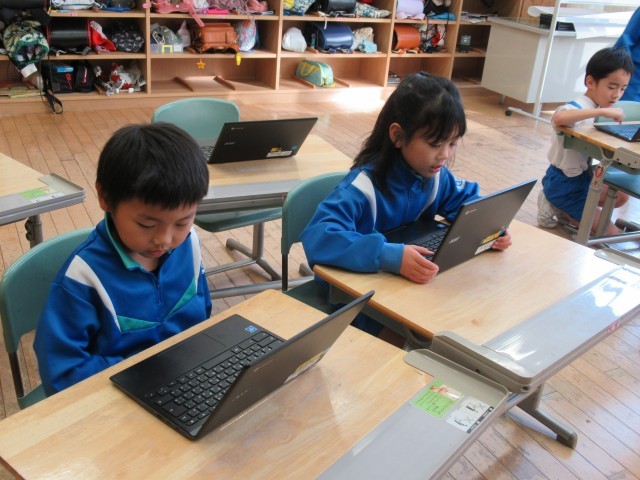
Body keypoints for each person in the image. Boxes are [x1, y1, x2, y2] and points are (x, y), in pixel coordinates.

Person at [300, 72, 512, 338]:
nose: (445, 155)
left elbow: (468, 200)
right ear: (398, 136)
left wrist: (488, 225)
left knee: (465, 315)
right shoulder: (361, 188)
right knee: (417, 334)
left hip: (407, 291)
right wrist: (389, 256)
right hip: (356, 301)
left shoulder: (435, 177)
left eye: (453, 143)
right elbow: (318, 237)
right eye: (435, 143)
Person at [34, 122, 212, 395]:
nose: (164, 239)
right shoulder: (83, 277)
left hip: (186, 386)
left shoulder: (190, 245)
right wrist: (152, 371)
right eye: (147, 224)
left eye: (182, 222)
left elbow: (203, 317)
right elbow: (62, 373)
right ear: (105, 198)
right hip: (114, 399)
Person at [537, 47, 633, 234]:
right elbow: (559, 117)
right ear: (590, 82)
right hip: (563, 183)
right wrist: (602, 111)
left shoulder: (599, 106)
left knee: (621, 195)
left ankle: (567, 211)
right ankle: (553, 202)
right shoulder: (579, 107)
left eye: (623, 89)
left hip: (585, 178)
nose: (617, 95)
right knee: (613, 235)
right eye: (611, 87)